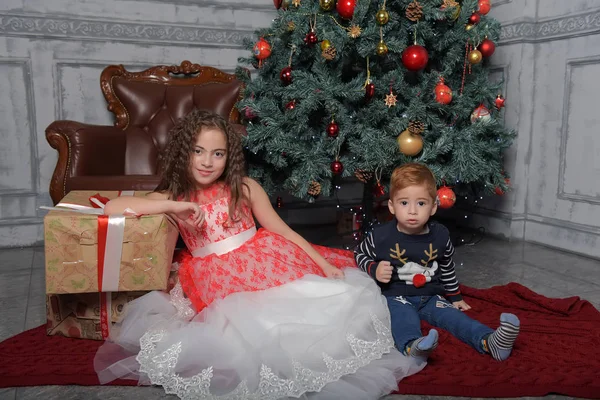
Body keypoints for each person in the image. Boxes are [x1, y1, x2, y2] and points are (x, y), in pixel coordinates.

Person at [94, 109, 424, 399]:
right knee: (244, 337)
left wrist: (323, 264)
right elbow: (114, 206)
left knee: (324, 304)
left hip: (267, 263)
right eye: (198, 151)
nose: (208, 161)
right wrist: (172, 205)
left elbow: (282, 231)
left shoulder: (246, 187)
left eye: (218, 153)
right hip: (219, 282)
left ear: (229, 157)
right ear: (184, 153)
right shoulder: (174, 194)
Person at [354, 163, 520, 363]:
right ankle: (412, 347)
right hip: (396, 296)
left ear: (433, 207)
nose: (413, 211)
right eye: (404, 203)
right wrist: (374, 268)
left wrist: (455, 296)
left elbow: (446, 266)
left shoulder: (440, 235)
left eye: (421, 203)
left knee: (455, 318)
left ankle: (490, 341)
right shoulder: (380, 236)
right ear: (392, 206)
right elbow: (360, 254)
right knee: (403, 320)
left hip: (430, 295)